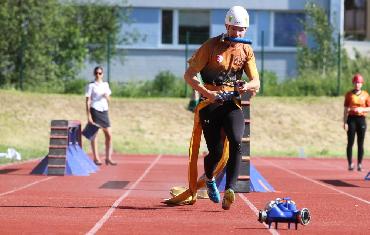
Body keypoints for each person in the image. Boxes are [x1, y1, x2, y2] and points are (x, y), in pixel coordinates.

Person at [183, 6, 260, 210]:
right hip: (211, 103)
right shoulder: (210, 46)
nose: (238, 33)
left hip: (231, 102)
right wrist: (208, 93)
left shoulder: (246, 50)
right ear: (227, 26)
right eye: (234, 29)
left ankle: (231, 189)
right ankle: (209, 178)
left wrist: (245, 86)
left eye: (242, 29)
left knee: (236, 141)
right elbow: (188, 76)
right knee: (215, 153)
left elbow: (256, 82)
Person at [85, 66, 117, 166]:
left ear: (102, 74)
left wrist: (106, 97)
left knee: (109, 135)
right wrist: (88, 116)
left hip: (104, 110)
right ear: (94, 74)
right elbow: (87, 101)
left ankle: (108, 158)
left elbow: (109, 100)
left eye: (100, 73)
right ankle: (96, 158)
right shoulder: (91, 85)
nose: (98, 75)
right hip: (95, 109)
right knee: (95, 134)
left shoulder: (106, 85)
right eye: (96, 73)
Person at [343, 73, 370, 172]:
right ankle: (350, 163)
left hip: (361, 119)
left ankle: (359, 164)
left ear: (362, 84)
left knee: (360, 143)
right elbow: (346, 109)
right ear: (353, 83)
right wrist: (345, 122)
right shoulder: (349, 94)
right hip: (351, 119)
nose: (357, 84)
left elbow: (369, 108)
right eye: (355, 82)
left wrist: (362, 109)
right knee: (350, 142)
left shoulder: (366, 94)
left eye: (359, 82)